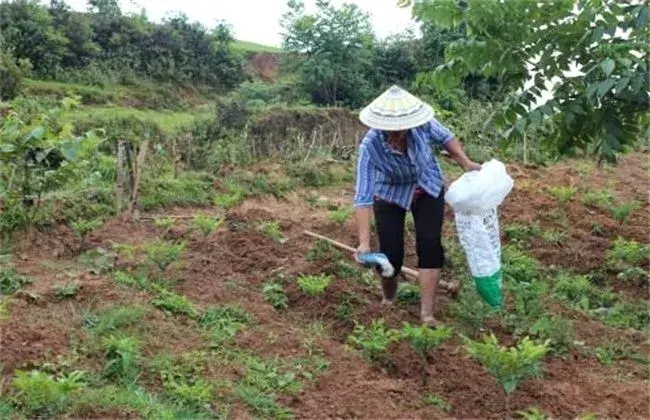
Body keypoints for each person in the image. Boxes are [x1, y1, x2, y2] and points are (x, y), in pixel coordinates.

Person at [353, 85, 481, 328]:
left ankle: (427, 314)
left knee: (430, 244)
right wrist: (364, 243)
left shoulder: (422, 124)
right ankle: (389, 300)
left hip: (426, 185)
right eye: (390, 130)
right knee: (390, 256)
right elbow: (362, 197)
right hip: (389, 191)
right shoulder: (370, 146)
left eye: (401, 130)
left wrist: (464, 161)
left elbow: (446, 138)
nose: (396, 135)